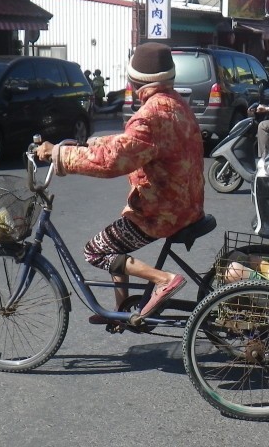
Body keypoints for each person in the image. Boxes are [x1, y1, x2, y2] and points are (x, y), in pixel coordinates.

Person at [35, 42, 205, 320]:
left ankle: (162, 279)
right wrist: (93, 142)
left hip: (161, 212)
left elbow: (113, 161)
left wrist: (58, 153)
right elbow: (131, 143)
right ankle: (120, 312)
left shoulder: (150, 115)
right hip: (186, 204)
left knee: (96, 249)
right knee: (116, 240)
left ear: (136, 81)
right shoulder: (175, 104)